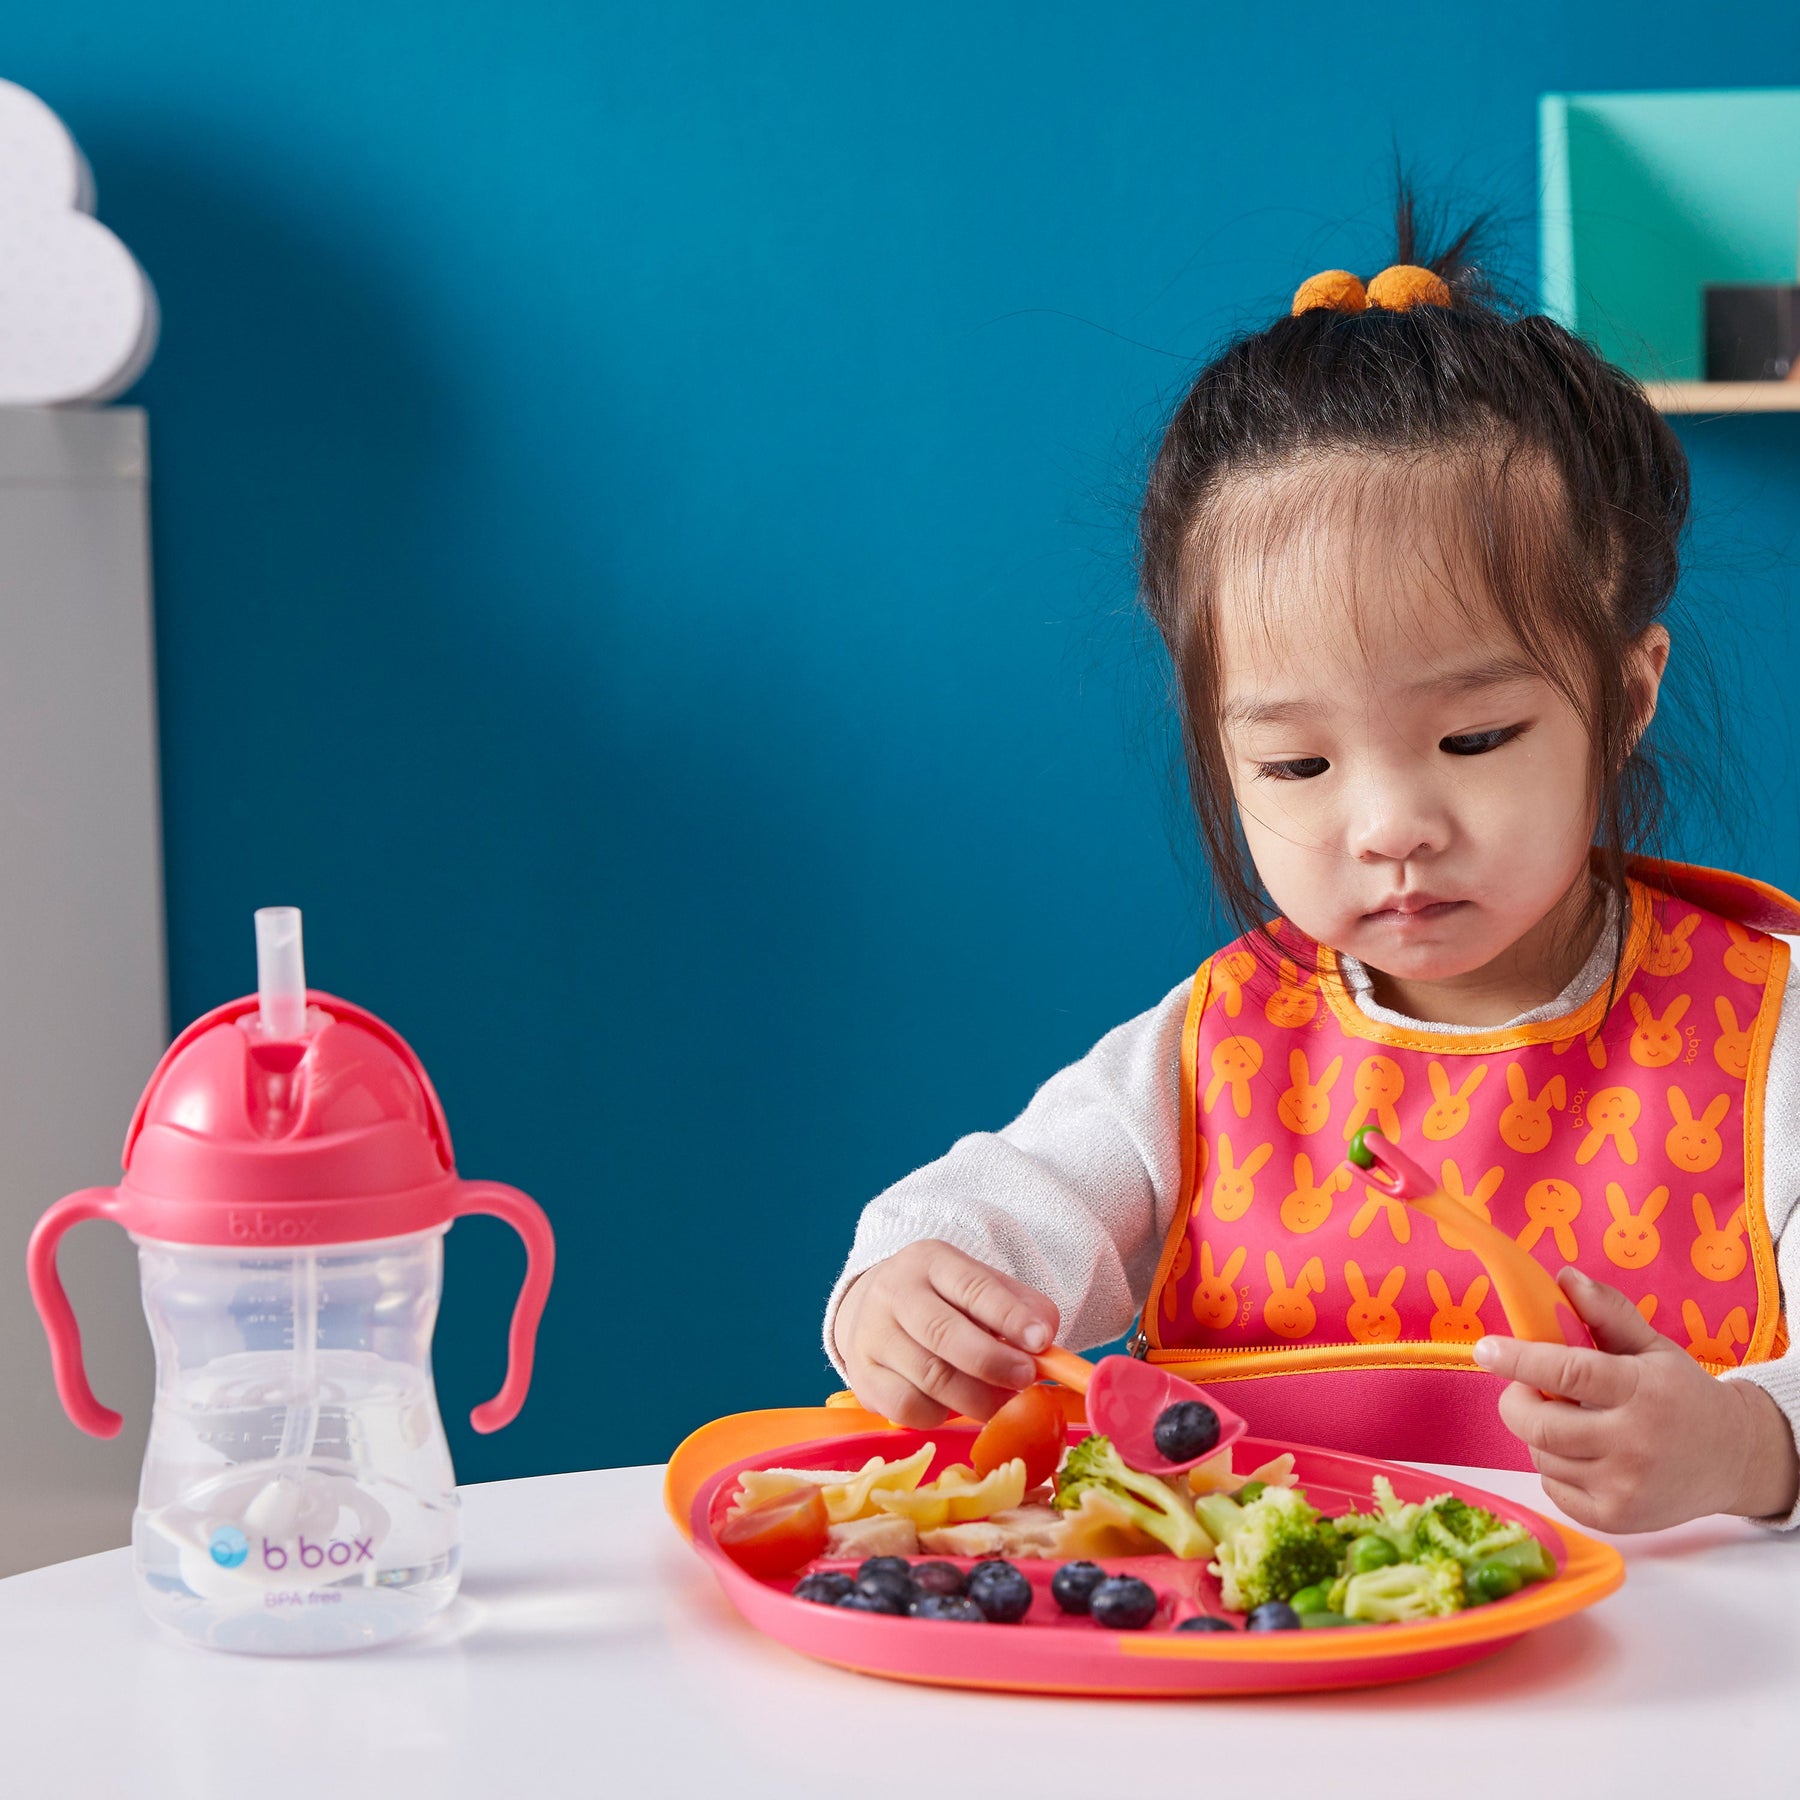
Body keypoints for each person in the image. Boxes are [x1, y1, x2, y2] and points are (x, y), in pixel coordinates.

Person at [824, 200, 1800, 1536]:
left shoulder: (1766, 1040)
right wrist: (911, 1294)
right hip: (1261, 1654)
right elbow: (997, 1207)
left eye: (1473, 739)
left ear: (1626, 695)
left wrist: (1752, 1445)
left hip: (1670, 1655)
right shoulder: (1209, 1053)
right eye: (1296, 764)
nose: (1391, 825)